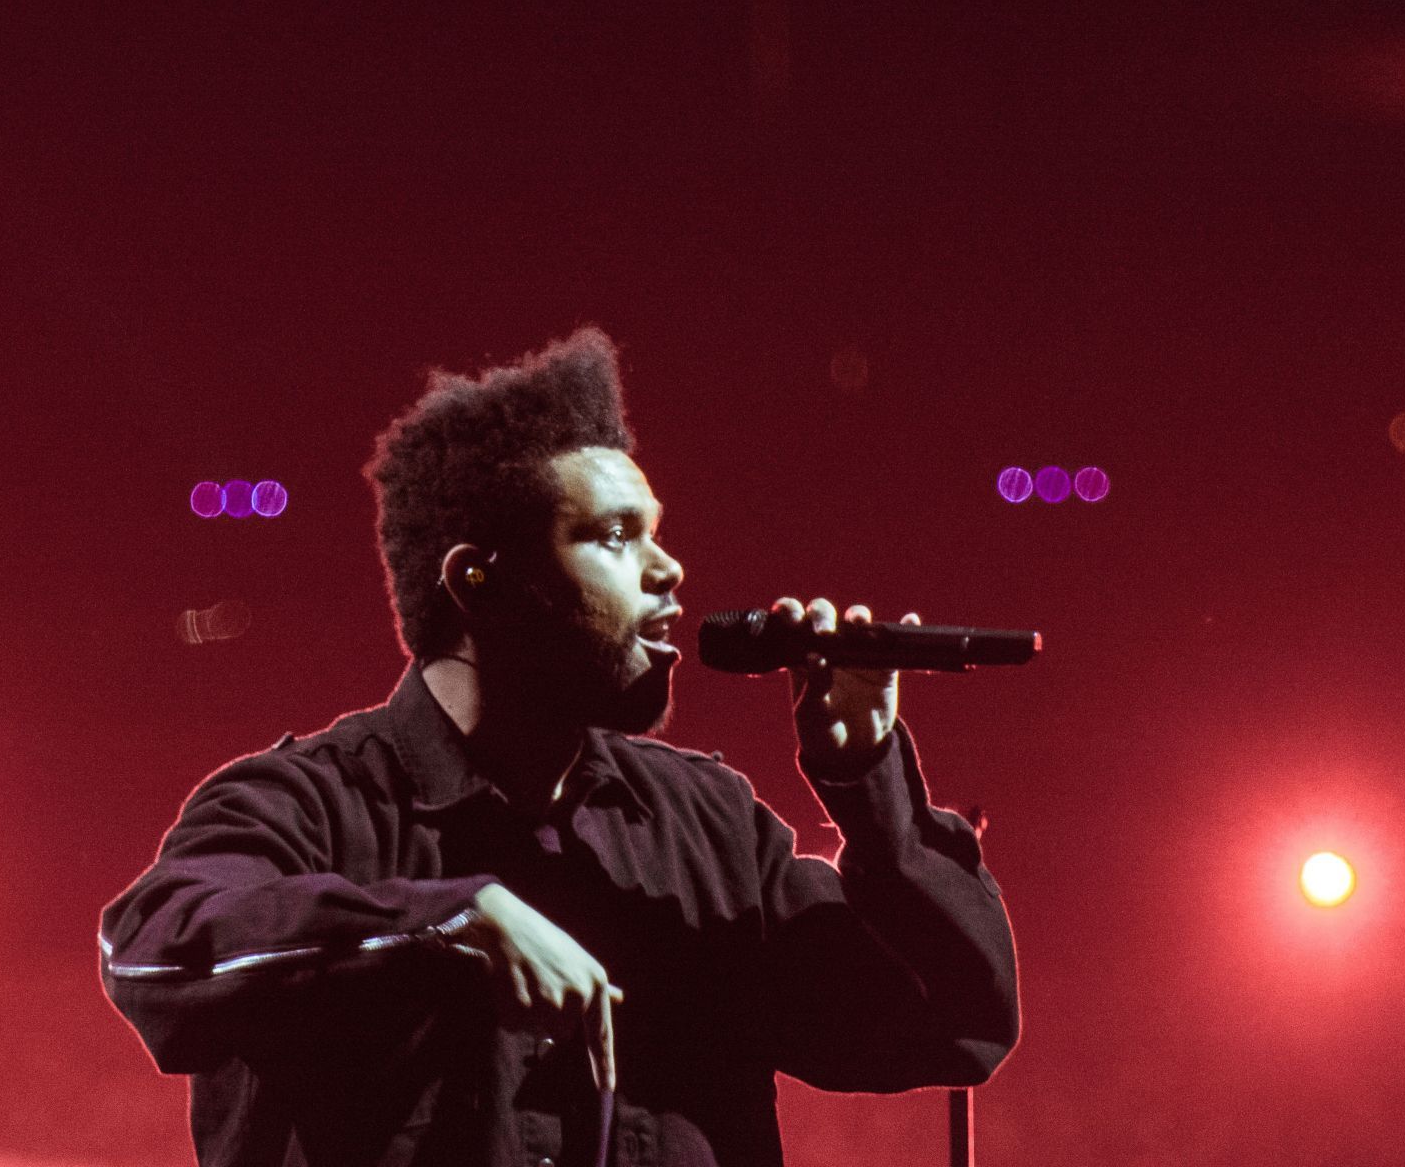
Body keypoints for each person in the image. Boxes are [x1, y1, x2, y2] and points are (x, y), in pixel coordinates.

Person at [99, 329, 1018, 1167]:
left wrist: (867, 781)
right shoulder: (306, 807)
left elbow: (957, 1022)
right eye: (614, 536)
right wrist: (436, 924)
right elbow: (156, 953)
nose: (670, 571)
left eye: (655, 532)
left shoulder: (709, 831)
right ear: (480, 581)